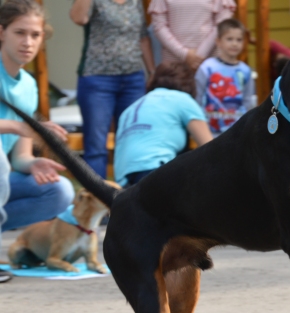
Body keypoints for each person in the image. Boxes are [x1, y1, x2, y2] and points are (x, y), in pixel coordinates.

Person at [0, 0, 72, 241]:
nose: (27, 42)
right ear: (1, 32)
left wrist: (32, 164)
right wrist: (21, 127)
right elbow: (18, 131)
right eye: (19, 33)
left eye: (35, 35)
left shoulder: (29, 86)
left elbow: (19, 156)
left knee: (59, 190)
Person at [70, 0, 155, 179]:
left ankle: (130, 197)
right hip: (97, 81)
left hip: (133, 80)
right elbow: (78, 17)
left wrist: (152, 72)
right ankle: (98, 201)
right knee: (96, 146)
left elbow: (143, 38)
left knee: (133, 141)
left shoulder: (135, 2)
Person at [114, 62, 213, 187]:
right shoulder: (182, 99)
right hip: (155, 169)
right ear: (189, 84)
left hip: (123, 180)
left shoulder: (130, 108)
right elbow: (210, 147)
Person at [195, 18, 255, 136]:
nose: (234, 43)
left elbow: (248, 101)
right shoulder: (207, 67)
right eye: (229, 39)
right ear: (218, 42)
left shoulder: (245, 71)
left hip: (237, 132)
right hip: (209, 131)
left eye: (239, 40)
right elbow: (197, 97)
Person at [149, 0, 236, 69]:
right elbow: (159, 27)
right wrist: (184, 54)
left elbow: (222, 24)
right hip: (174, 66)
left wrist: (199, 56)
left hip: (210, 64)